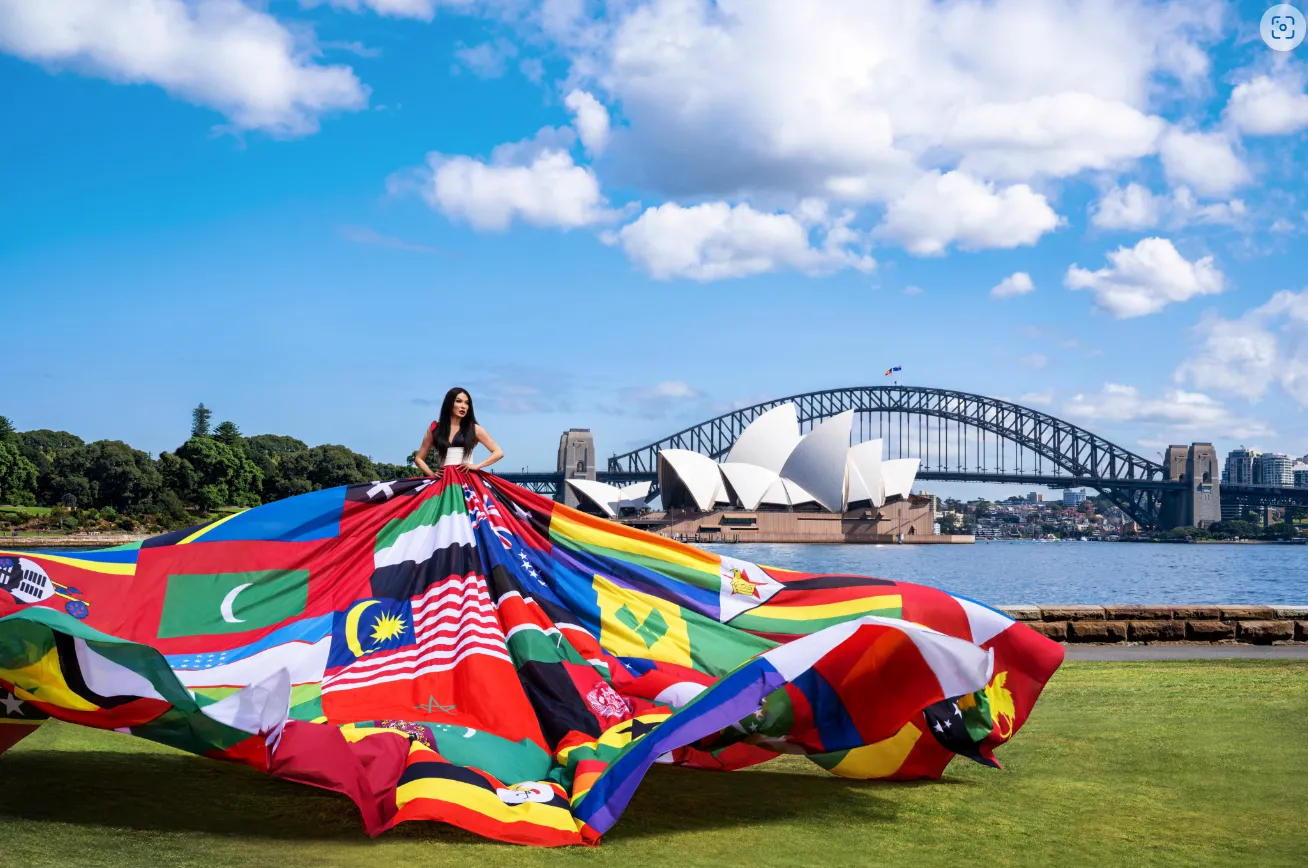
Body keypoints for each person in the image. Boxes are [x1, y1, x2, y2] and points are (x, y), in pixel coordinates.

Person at [414, 387, 504, 478]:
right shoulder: (435, 429)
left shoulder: (474, 429)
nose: (463, 406)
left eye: (467, 403)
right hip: (444, 480)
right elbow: (419, 459)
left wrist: (478, 466)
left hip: (468, 480)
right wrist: (432, 474)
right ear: (449, 403)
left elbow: (498, 452)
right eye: (458, 401)